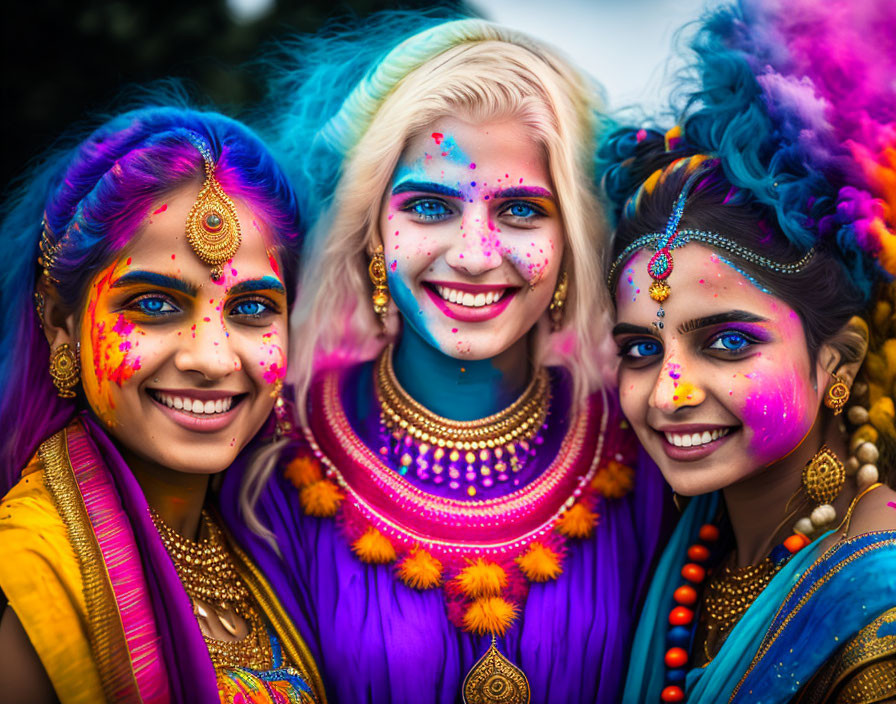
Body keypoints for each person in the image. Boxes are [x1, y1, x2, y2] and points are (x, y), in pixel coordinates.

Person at [218, 11, 669, 704]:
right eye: (429, 207)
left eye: (521, 212)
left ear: (574, 237)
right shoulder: (271, 454)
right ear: (371, 232)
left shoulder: (642, 443)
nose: (475, 255)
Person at [600, 1, 896, 701]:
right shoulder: (700, 539)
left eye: (728, 342)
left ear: (839, 363)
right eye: (641, 349)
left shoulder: (877, 609)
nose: (669, 391)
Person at [0, 104, 325, 703]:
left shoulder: (275, 546)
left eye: (252, 310)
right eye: (154, 305)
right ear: (59, 323)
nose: (212, 359)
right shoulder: (28, 581)